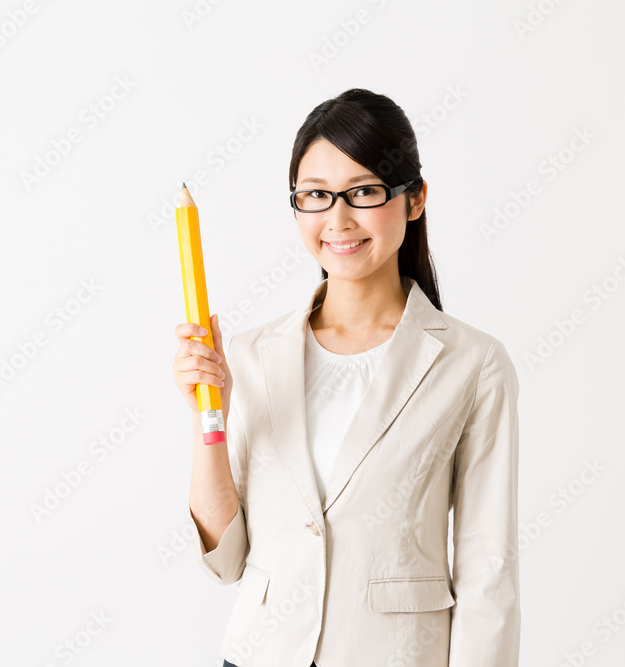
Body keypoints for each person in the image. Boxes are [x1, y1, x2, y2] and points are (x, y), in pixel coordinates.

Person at [174, 88, 520, 667]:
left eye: (363, 191)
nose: (337, 219)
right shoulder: (252, 354)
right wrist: (207, 413)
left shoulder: (474, 364)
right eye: (315, 195)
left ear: (414, 200)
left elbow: (490, 566)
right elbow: (226, 559)